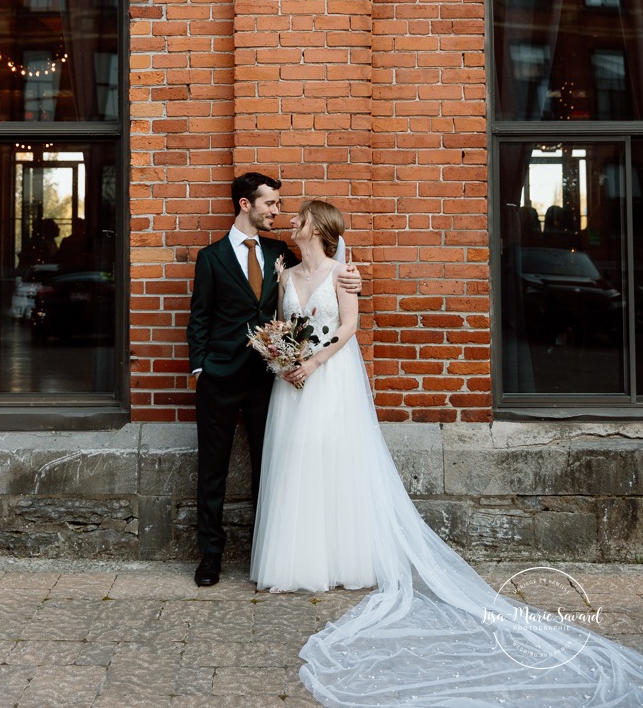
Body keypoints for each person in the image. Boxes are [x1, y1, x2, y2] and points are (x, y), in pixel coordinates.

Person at [251, 200, 643, 707]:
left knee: (335, 462)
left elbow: (349, 329)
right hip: (294, 383)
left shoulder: (345, 274)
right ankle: (293, 564)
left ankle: (339, 558)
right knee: (295, 465)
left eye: (300, 219)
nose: (292, 224)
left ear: (319, 229)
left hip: (330, 378)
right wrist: (286, 360)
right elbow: (285, 328)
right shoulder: (285, 276)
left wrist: (316, 362)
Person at [186, 173, 361, 589]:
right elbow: (199, 319)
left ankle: (266, 553)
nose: (277, 212)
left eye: (281, 207)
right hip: (218, 379)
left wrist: (352, 279)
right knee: (212, 470)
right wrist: (200, 370)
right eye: (271, 204)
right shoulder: (210, 258)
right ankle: (210, 555)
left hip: (270, 382)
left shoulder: (281, 253)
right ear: (246, 205)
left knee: (273, 470)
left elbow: (320, 282)